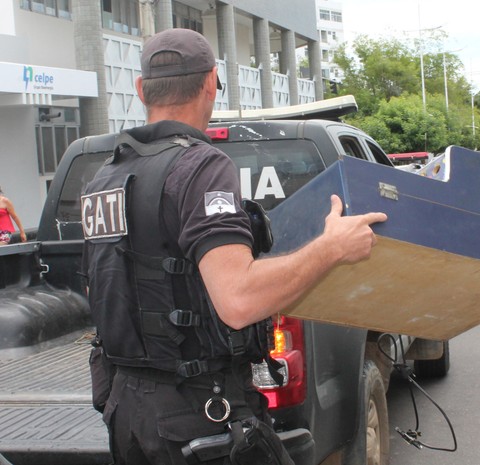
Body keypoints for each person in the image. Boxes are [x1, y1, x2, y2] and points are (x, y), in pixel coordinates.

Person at [81, 28, 387, 465]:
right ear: (210, 83)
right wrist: (331, 247)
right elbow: (239, 300)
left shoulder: (103, 179)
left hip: (128, 415)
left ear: (141, 89)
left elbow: (104, 292)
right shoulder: (199, 166)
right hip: (198, 416)